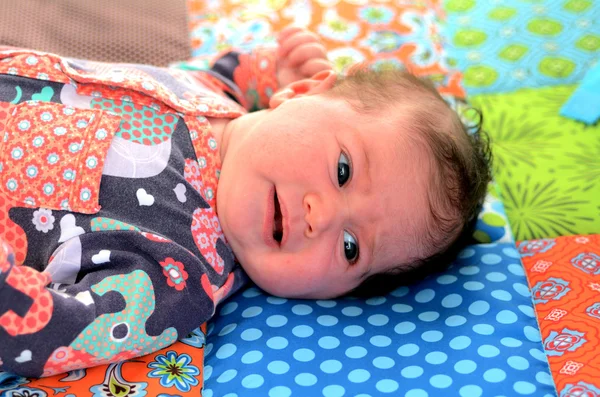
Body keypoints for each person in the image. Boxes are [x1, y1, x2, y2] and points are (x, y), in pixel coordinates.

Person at [0, 27, 491, 377]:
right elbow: (222, 71)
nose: (323, 217)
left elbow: (43, 334)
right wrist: (273, 67)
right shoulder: (210, 93)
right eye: (343, 170)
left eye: (351, 247)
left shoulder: (178, 276)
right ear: (298, 93)